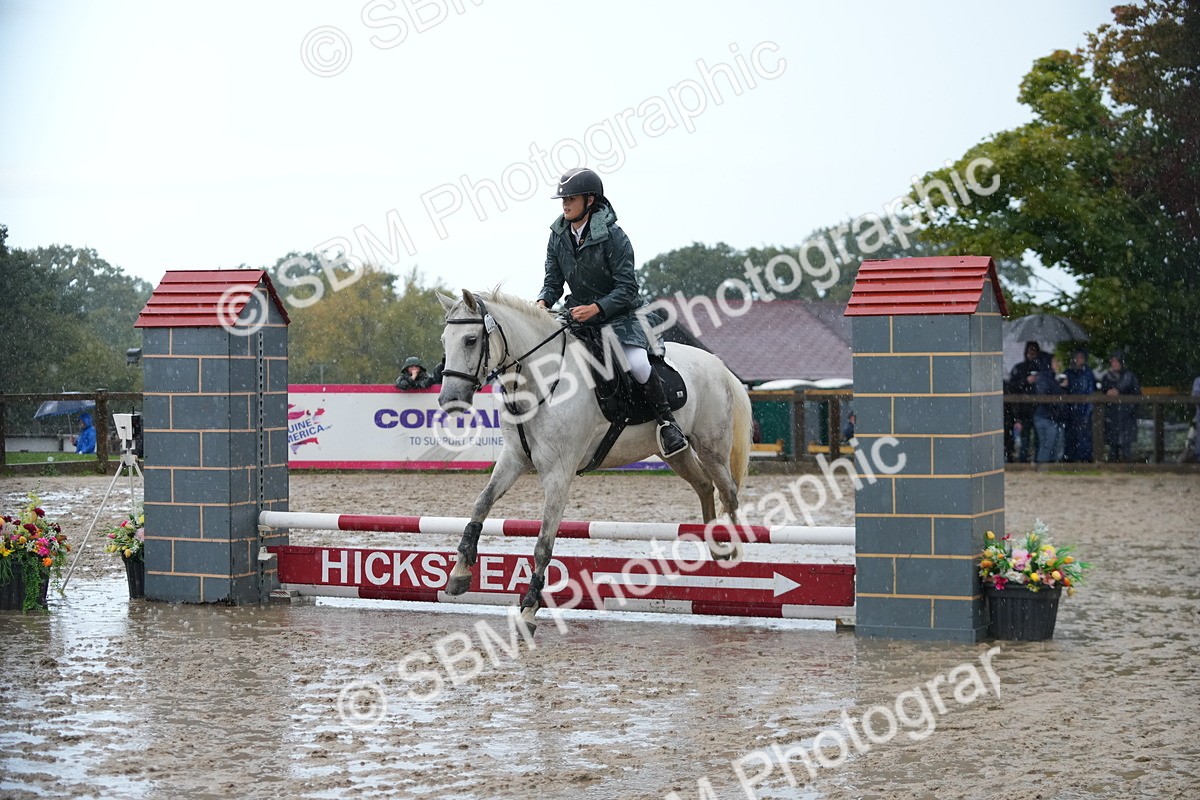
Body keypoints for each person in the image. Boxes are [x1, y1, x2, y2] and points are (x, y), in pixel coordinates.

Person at [536, 167, 688, 456]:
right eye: (563, 199)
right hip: (579, 314)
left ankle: (668, 424)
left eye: (571, 199)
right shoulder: (557, 236)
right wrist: (543, 302)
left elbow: (627, 287)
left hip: (621, 315)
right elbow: (553, 282)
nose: (565, 204)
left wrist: (597, 308)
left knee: (638, 362)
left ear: (590, 200)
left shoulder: (614, 236)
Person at [1008, 341, 1049, 462]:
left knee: (1038, 439)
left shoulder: (1042, 369)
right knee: (1024, 439)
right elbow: (1012, 387)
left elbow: (1047, 387)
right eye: (1030, 351)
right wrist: (1026, 382)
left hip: (1039, 409)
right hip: (1023, 410)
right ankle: (1023, 462)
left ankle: (1037, 463)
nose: (1032, 353)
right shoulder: (1019, 368)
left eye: (1034, 351)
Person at [1099, 350, 1141, 462]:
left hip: (1126, 418)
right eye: (1112, 361)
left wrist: (1127, 406)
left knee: (1126, 449)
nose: (1114, 363)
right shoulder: (1107, 377)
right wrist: (1108, 394)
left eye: (1116, 361)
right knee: (1113, 449)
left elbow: (1137, 396)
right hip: (1112, 417)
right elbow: (1103, 393)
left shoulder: (1130, 376)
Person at [1032, 355, 1067, 464]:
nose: (1058, 365)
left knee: (1056, 447)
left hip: (1054, 417)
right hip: (1045, 416)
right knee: (1047, 446)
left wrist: (1063, 386)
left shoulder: (1053, 378)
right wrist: (1058, 386)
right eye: (1055, 362)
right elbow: (1043, 395)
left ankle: (1050, 468)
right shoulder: (1043, 377)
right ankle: (1043, 468)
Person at [1063, 348, 1096, 462]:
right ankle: (1070, 459)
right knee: (1070, 436)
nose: (1079, 360)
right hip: (1070, 411)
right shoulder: (1068, 373)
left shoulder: (1088, 374)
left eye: (1081, 357)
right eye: (1077, 357)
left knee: (1084, 436)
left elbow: (1091, 392)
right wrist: (1064, 386)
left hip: (1084, 410)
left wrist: (1087, 410)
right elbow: (1063, 391)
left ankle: (1085, 460)